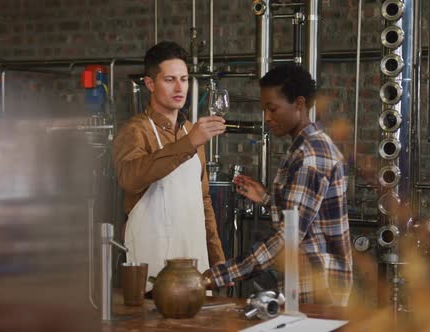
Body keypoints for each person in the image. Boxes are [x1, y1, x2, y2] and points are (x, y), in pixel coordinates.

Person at [203, 64, 353, 305]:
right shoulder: (308, 147)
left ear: (299, 103)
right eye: (264, 109)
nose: (267, 118)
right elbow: (308, 218)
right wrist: (266, 199)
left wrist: (219, 276)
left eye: (272, 108)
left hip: (317, 292)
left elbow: (287, 237)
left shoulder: (310, 158)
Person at [113, 41, 227, 290]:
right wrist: (189, 144)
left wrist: (217, 260)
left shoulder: (191, 131)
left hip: (194, 258)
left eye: (184, 79)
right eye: (170, 80)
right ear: (150, 83)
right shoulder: (135, 130)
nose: (180, 87)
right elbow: (130, 179)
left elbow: (204, 201)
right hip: (151, 261)